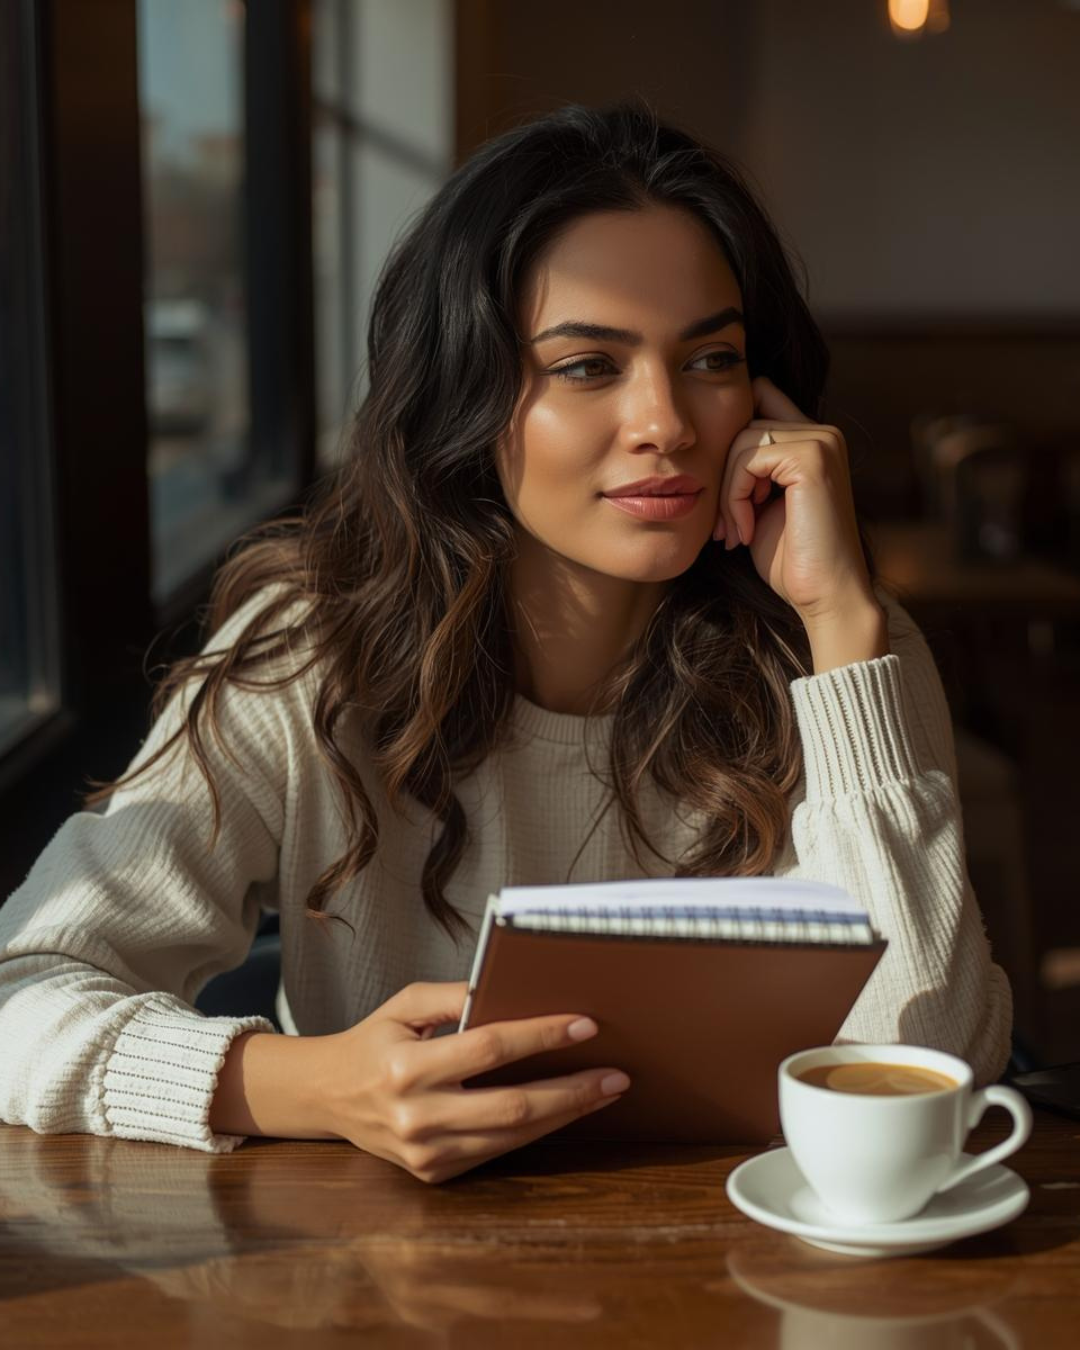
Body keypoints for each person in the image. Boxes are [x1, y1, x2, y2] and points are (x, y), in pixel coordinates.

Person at [0, 99, 1011, 1182]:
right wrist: (317, 1087)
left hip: (743, 1267)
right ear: (467, 392)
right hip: (392, 1283)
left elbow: (927, 1064)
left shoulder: (839, 646)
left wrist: (845, 632)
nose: (667, 421)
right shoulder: (314, 646)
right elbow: (24, 995)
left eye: (710, 359)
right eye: (588, 366)